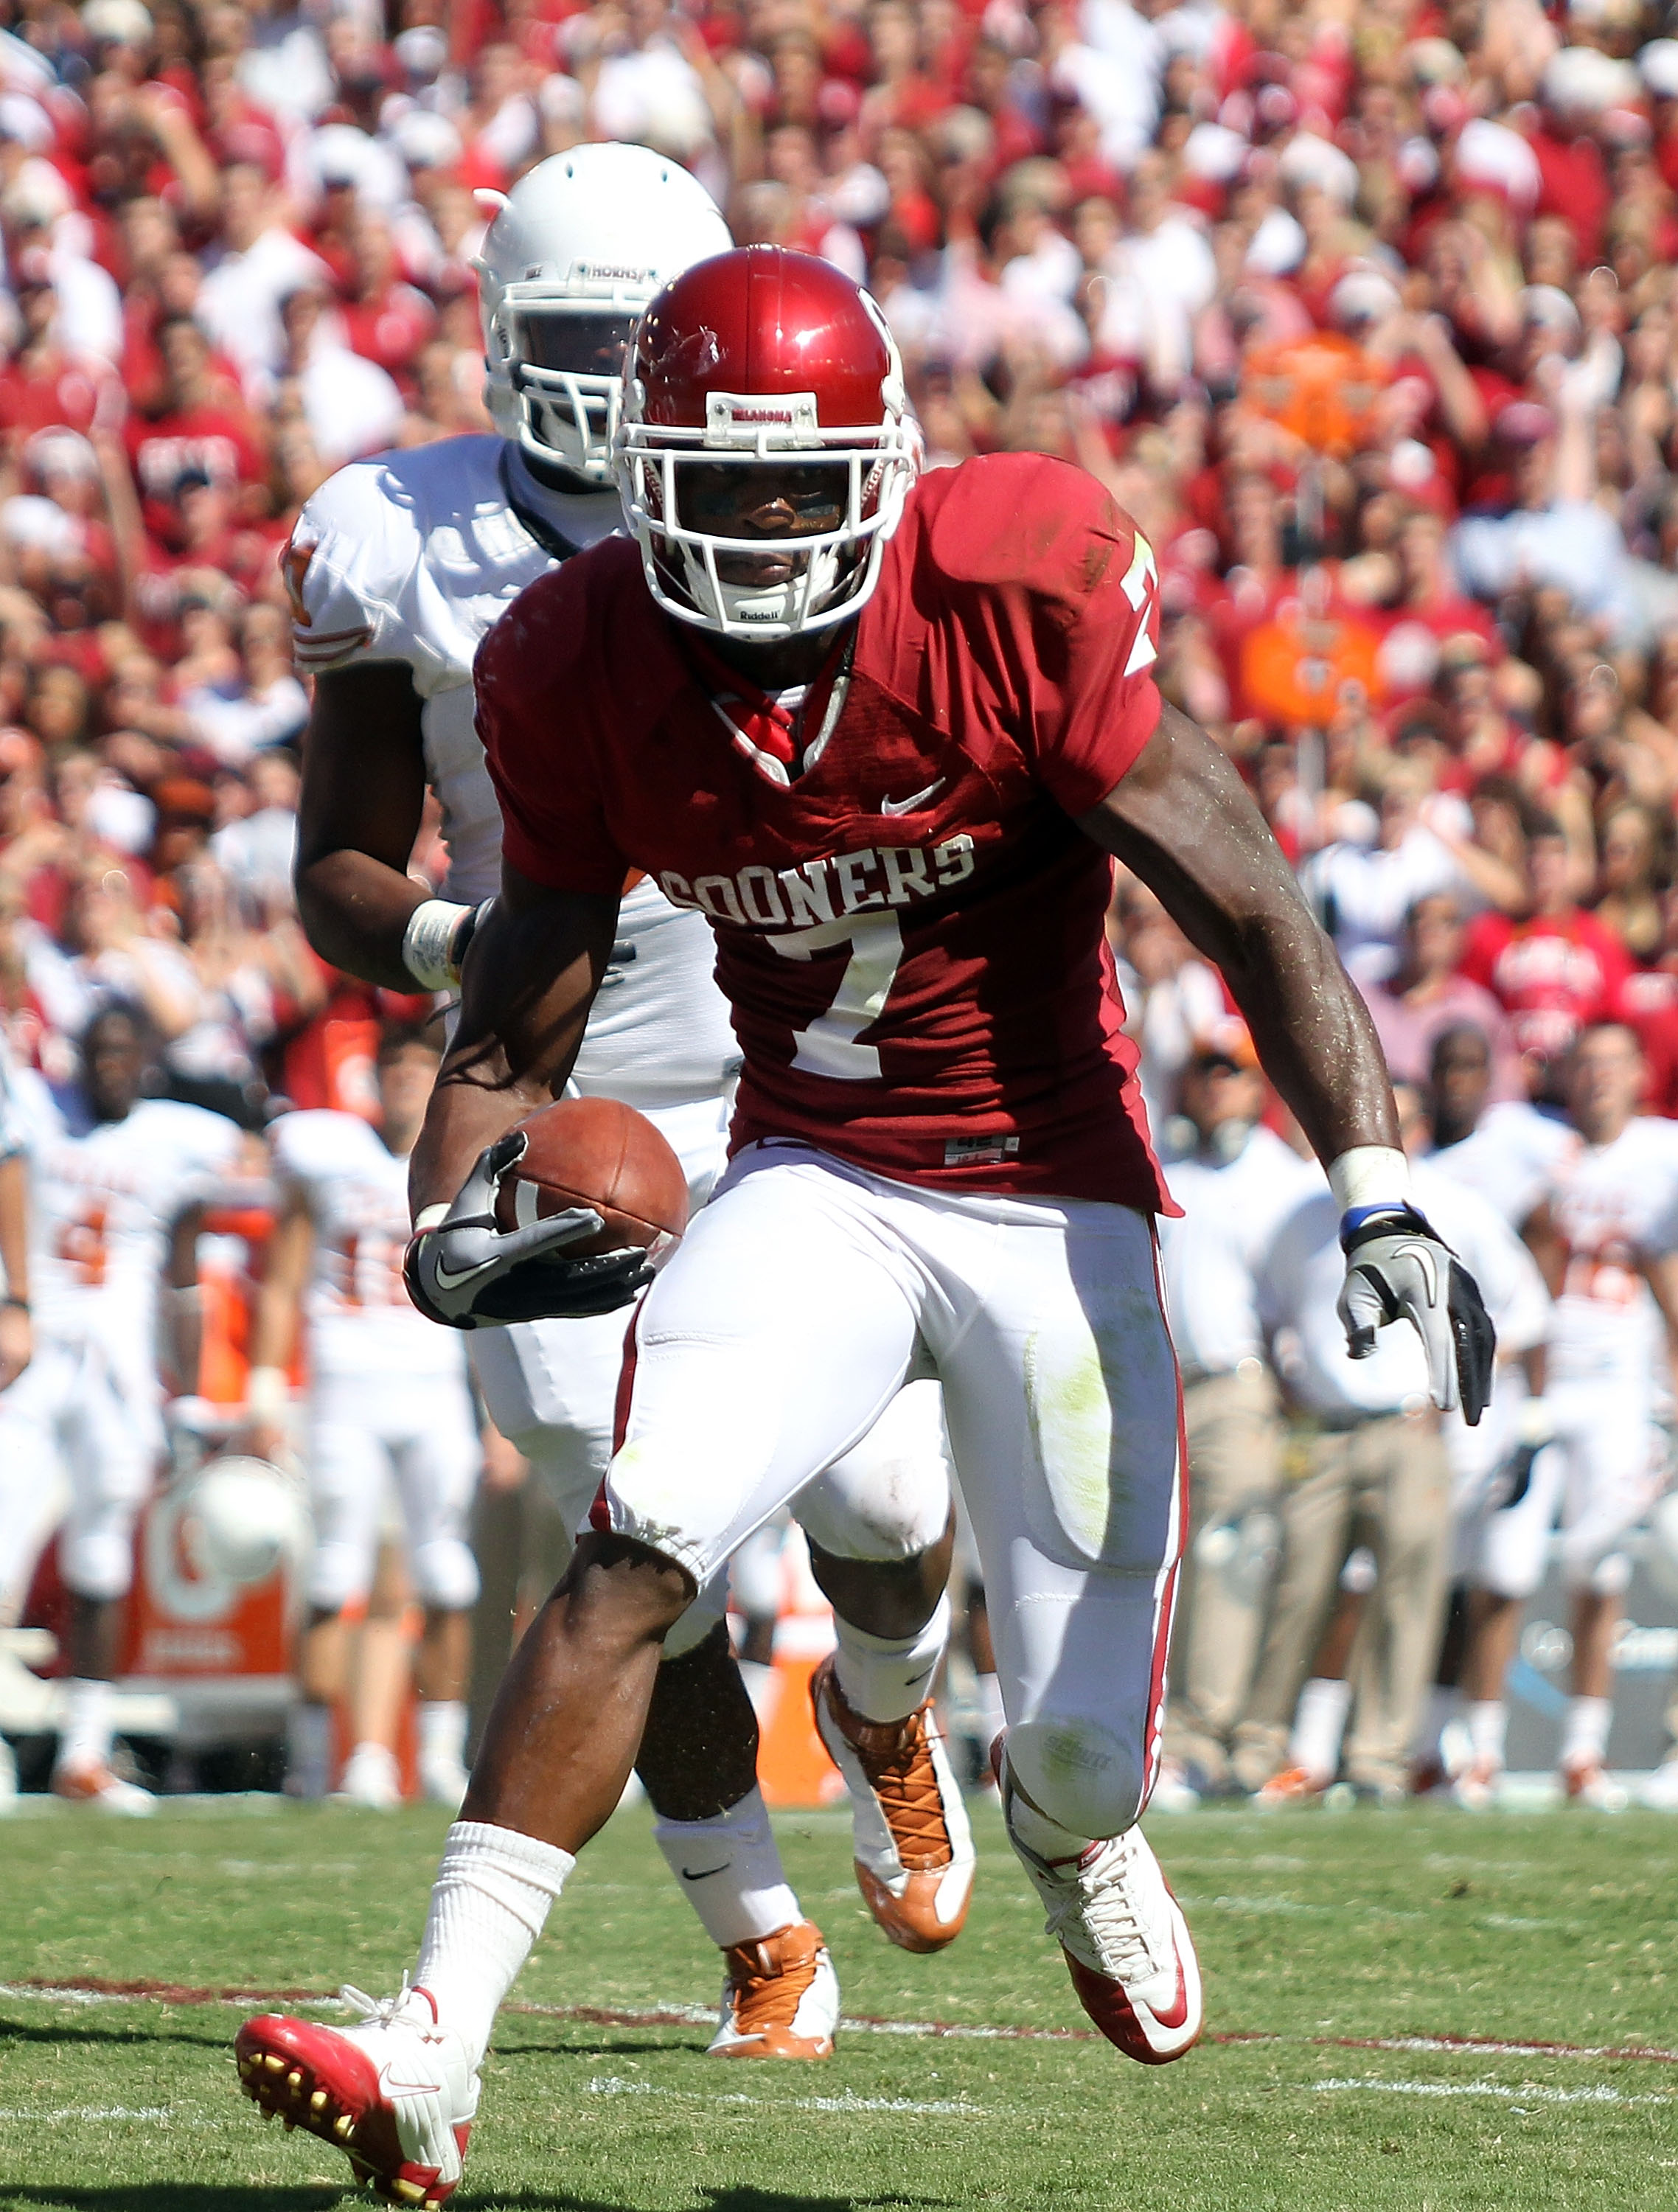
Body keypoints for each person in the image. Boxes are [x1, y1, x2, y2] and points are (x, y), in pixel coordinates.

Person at [235, 246, 1491, 2207]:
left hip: (1050, 1188)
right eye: (709, 486)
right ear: (639, 476)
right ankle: (431, 2046)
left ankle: (1067, 1832)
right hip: (809, 1169)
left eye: (787, 485)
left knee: (1079, 1754)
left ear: (877, 467)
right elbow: (523, 995)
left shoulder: (1008, 579)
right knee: (633, 1549)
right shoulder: (577, 656)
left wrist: (1376, 1190)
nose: (747, 531)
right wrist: (456, 1205)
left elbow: (1250, 902)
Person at [278, 156, 965, 2061]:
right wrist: (458, 948)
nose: (598, 385)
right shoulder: (394, 536)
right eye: (569, 343)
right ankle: (753, 1927)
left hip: (783, 1060)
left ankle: (889, 1700)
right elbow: (333, 863)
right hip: (550, 1076)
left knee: (887, 1501)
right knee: (628, 1534)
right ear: (501, 340)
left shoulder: (808, 492)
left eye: (632, 342)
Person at [0, 1000, 240, 1809]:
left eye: (123, 1051)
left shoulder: (179, 1139)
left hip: (121, 1369)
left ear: (147, 1060)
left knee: (101, 1556)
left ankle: (84, 1752)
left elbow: (183, 1278)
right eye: (96, 1050)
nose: (109, 1065)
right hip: (32, 1358)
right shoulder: (35, 1111)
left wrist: (192, 1390)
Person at [243, 1023, 483, 1811]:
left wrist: (499, 1411)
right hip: (347, 1380)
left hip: (432, 1382)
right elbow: (281, 1276)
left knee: (447, 1570)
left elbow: (489, 1298)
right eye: (395, 1070)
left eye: (420, 1071)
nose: (406, 1085)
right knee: (333, 1568)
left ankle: (438, 1755)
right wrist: (268, 1382)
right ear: (371, 1080)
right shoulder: (328, 1156)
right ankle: (316, 1761)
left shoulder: (462, 1162)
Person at [1466, 1023, 1678, 1810]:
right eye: (1583, 1065)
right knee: (1503, 1565)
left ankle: (1581, 1753)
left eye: (1611, 1065)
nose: (1596, 1080)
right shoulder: (1529, 1148)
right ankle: (1476, 1751)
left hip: (1622, 1383)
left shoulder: (1661, 1153)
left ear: (1638, 1075)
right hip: (1540, 1378)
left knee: (1600, 1565)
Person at [1155, 1021, 1318, 1804]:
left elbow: (1303, 1300)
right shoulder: (1167, 1164)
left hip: (1237, 1384)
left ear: (1257, 1088)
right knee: (1163, 1563)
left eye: (1231, 1071)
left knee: (1226, 1560)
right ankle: (1168, 1731)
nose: (1215, 1083)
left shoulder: (1279, 1179)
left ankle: (1199, 1738)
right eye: (1205, 1069)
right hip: (1159, 1387)